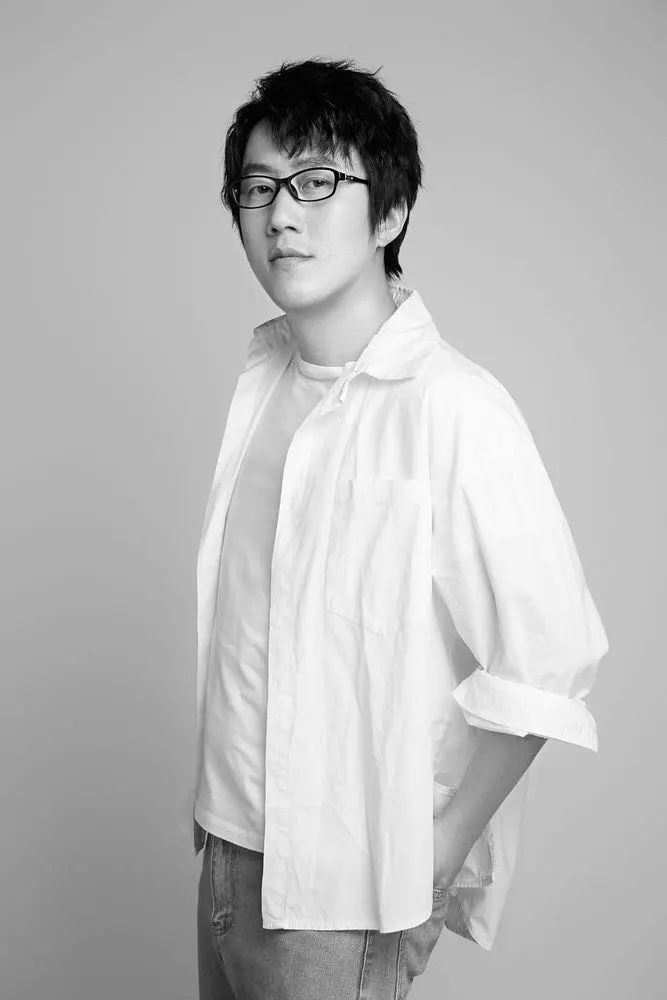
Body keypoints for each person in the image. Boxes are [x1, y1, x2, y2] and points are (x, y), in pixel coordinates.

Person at [191, 57, 610, 1000]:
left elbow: (548, 657)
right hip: (224, 853)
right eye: (258, 188)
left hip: (340, 890)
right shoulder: (261, 386)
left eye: (315, 182)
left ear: (389, 213)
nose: (280, 215)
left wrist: (438, 851)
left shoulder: (452, 406)